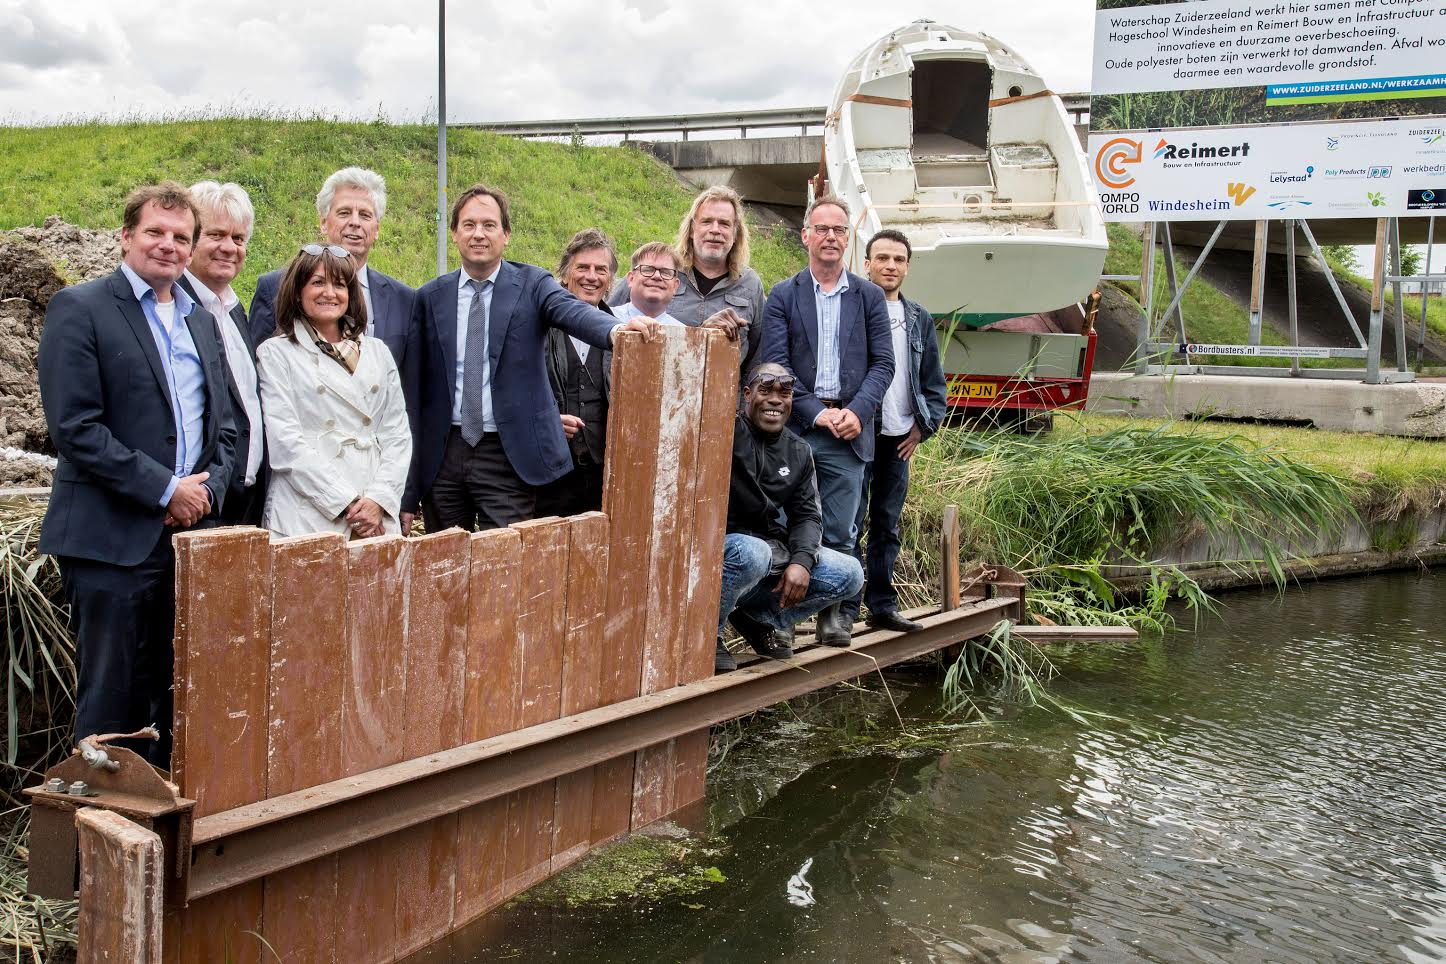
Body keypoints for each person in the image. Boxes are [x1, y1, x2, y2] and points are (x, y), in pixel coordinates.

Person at [37, 182, 237, 767]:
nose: (168, 246)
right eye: (155, 232)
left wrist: (205, 493)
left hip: (187, 539)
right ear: (126, 236)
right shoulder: (82, 308)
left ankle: (160, 832)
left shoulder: (201, 320)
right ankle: (97, 836)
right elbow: (74, 428)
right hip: (110, 540)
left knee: (174, 693)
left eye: (181, 237)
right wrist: (164, 488)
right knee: (110, 697)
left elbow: (225, 425)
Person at [401, 184, 661, 533]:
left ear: (506, 234)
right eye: (469, 225)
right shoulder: (430, 297)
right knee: (445, 571)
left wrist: (615, 331)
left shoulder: (532, 284)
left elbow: (572, 310)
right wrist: (409, 488)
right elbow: (415, 393)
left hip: (506, 456)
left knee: (505, 569)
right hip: (444, 457)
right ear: (454, 233)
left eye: (489, 225)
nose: (479, 234)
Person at [761, 193, 893, 648]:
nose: (831, 237)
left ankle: (833, 615)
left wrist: (856, 413)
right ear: (806, 236)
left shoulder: (870, 296)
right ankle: (778, 621)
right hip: (797, 431)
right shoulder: (782, 295)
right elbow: (776, 365)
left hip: (851, 434)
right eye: (822, 229)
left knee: (841, 531)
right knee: (784, 527)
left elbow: (883, 366)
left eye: (839, 229)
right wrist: (817, 413)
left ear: (848, 238)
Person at [714, 363, 864, 673]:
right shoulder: (723, 432)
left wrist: (801, 562)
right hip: (719, 551)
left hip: (768, 553)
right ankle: (708, 632)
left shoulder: (798, 450)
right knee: (753, 552)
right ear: (746, 394)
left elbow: (808, 516)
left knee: (850, 574)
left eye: (784, 393)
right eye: (765, 391)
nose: (774, 400)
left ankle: (756, 619)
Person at [256, 244, 412, 538]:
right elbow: (286, 443)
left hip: (374, 513)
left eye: (340, 284)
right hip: (309, 513)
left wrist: (378, 499)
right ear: (297, 292)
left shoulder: (377, 352)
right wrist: (346, 502)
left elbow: (397, 434)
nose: (330, 293)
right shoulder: (276, 354)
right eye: (317, 282)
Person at [841, 229, 948, 633]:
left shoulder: (918, 317)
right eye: (882, 258)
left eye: (898, 259)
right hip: (856, 434)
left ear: (907, 266)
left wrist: (923, 427)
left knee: (887, 522)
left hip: (899, 437)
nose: (890, 266)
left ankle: (882, 605)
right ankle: (845, 608)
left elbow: (934, 382)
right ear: (866, 262)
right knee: (849, 522)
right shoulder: (853, 309)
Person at [249, 167, 416, 366]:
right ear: (323, 222)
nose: (355, 222)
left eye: (365, 215)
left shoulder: (404, 299)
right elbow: (258, 374)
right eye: (344, 213)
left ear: (377, 229)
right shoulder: (274, 288)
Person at [609, 185, 766, 379]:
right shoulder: (658, 272)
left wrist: (742, 408)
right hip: (656, 394)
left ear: (735, 233)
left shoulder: (750, 285)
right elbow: (606, 324)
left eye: (724, 224)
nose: (715, 230)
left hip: (722, 403)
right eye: (707, 221)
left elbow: (757, 358)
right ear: (692, 229)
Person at [179, 180, 267, 526]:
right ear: (191, 239)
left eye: (238, 238)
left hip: (245, 498)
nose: (229, 247)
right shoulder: (175, 308)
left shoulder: (233, 309)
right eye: (216, 235)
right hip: (199, 500)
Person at [537, 229, 618, 517]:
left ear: (610, 281)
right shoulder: (538, 327)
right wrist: (547, 422)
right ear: (565, 273)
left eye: (601, 270)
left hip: (604, 474)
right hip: (548, 473)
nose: (591, 276)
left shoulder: (622, 334)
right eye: (582, 267)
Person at [611, 242, 689, 326]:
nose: (657, 276)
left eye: (665, 272)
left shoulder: (685, 334)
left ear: (675, 286)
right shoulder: (606, 319)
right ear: (631, 279)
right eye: (648, 270)